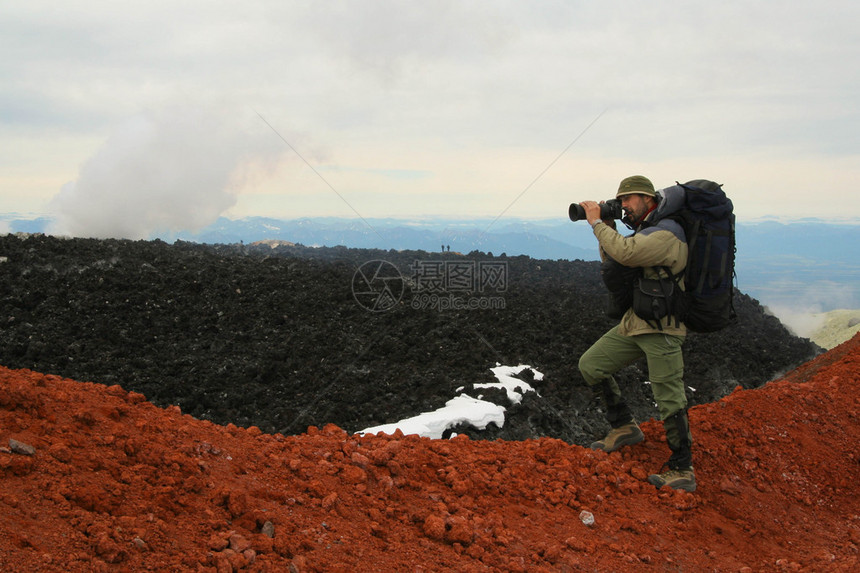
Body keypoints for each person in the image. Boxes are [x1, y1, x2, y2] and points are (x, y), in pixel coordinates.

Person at [577, 175, 695, 492]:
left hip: (662, 327)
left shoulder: (668, 232)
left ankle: (682, 468)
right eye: (622, 201)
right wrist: (609, 227)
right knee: (591, 365)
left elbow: (626, 254)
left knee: (668, 396)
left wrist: (596, 223)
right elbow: (616, 258)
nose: (624, 206)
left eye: (628, 200)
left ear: (648, 198)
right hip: (637, 321)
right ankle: (625, 427)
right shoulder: (645, 231)